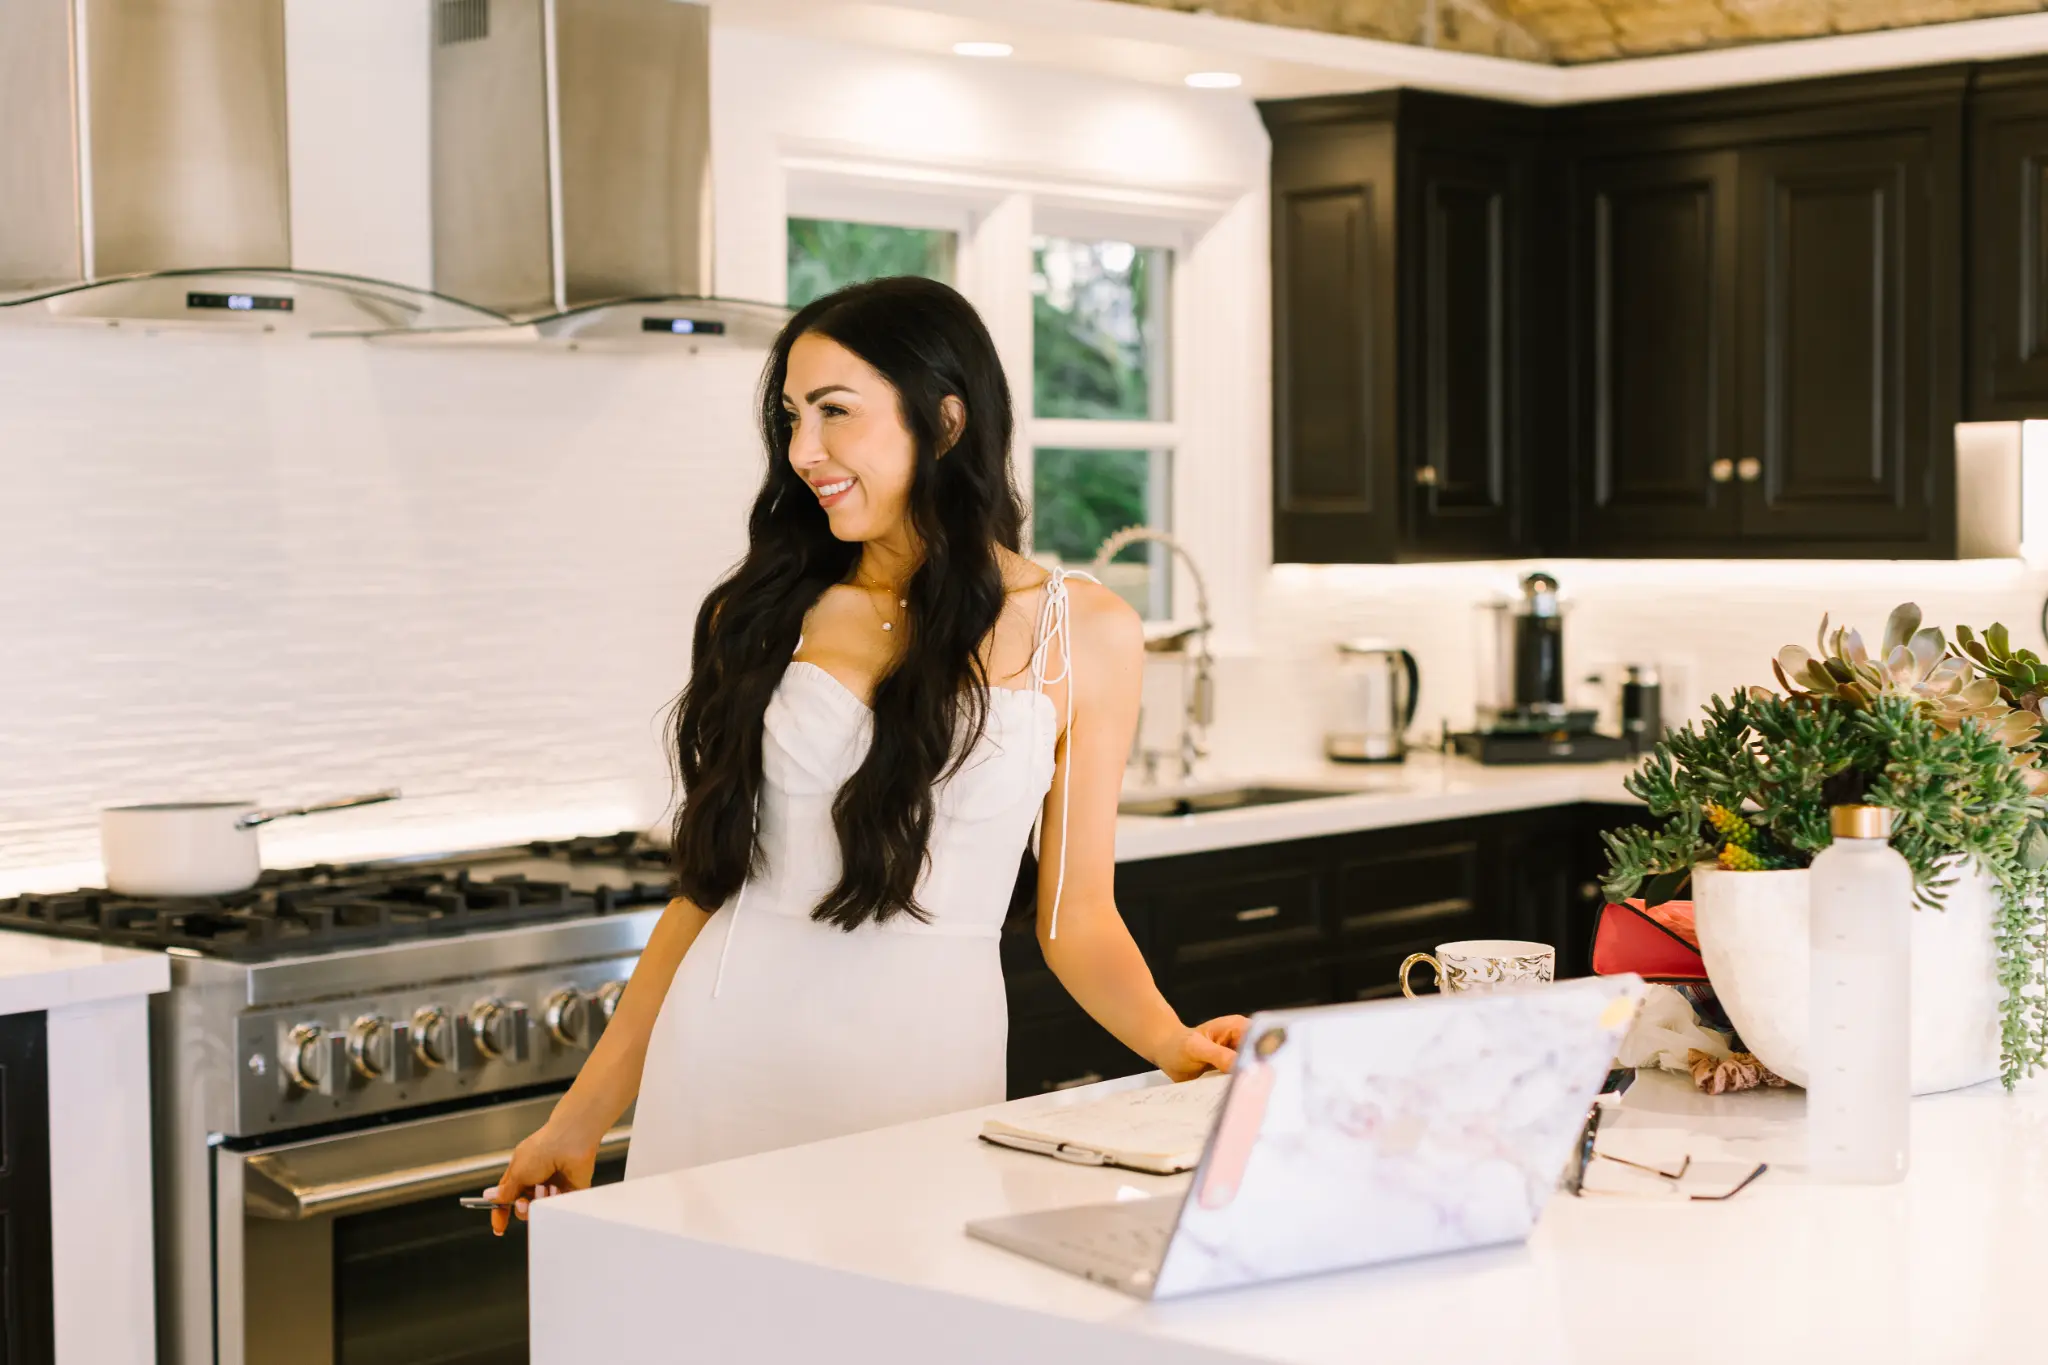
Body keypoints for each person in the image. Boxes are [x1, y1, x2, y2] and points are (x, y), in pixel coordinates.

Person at [487, 276, 1246, 1235]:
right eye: (791, 417)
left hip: (927, 1074)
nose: (804, 451)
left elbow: (1076, 916)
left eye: (835, 413)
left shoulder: (1083, 632)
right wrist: (580, 1114)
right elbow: (706, 891)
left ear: (946, 418)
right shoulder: (761, 613)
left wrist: (1175, 1044)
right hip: (727, 1060)